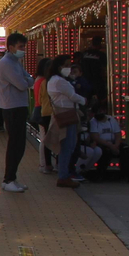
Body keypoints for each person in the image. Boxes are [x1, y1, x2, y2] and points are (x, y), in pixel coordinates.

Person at [0, 33, 32, 192]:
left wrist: (27, 80)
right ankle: (8, 178)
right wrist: (27, 80)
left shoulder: (15, 62)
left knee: (19, 144)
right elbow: (23, 84)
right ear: (10, 47)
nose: (23, 50)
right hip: (12, 106)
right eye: (20, 47)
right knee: (15, 144)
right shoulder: (7, 63)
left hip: (18, 105)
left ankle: (12, 177)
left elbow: (28, 79)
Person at [46, 54, 85, 187]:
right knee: (68, 146)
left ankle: (64, 173)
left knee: (67, 146)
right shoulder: (59, 81)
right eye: (67, 65)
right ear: (59, 66)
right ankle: (64, 175)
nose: (69, 68)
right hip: (67, 115)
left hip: (61, 114)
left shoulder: (53, 79)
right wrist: (84, 100)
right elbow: (72, 96)